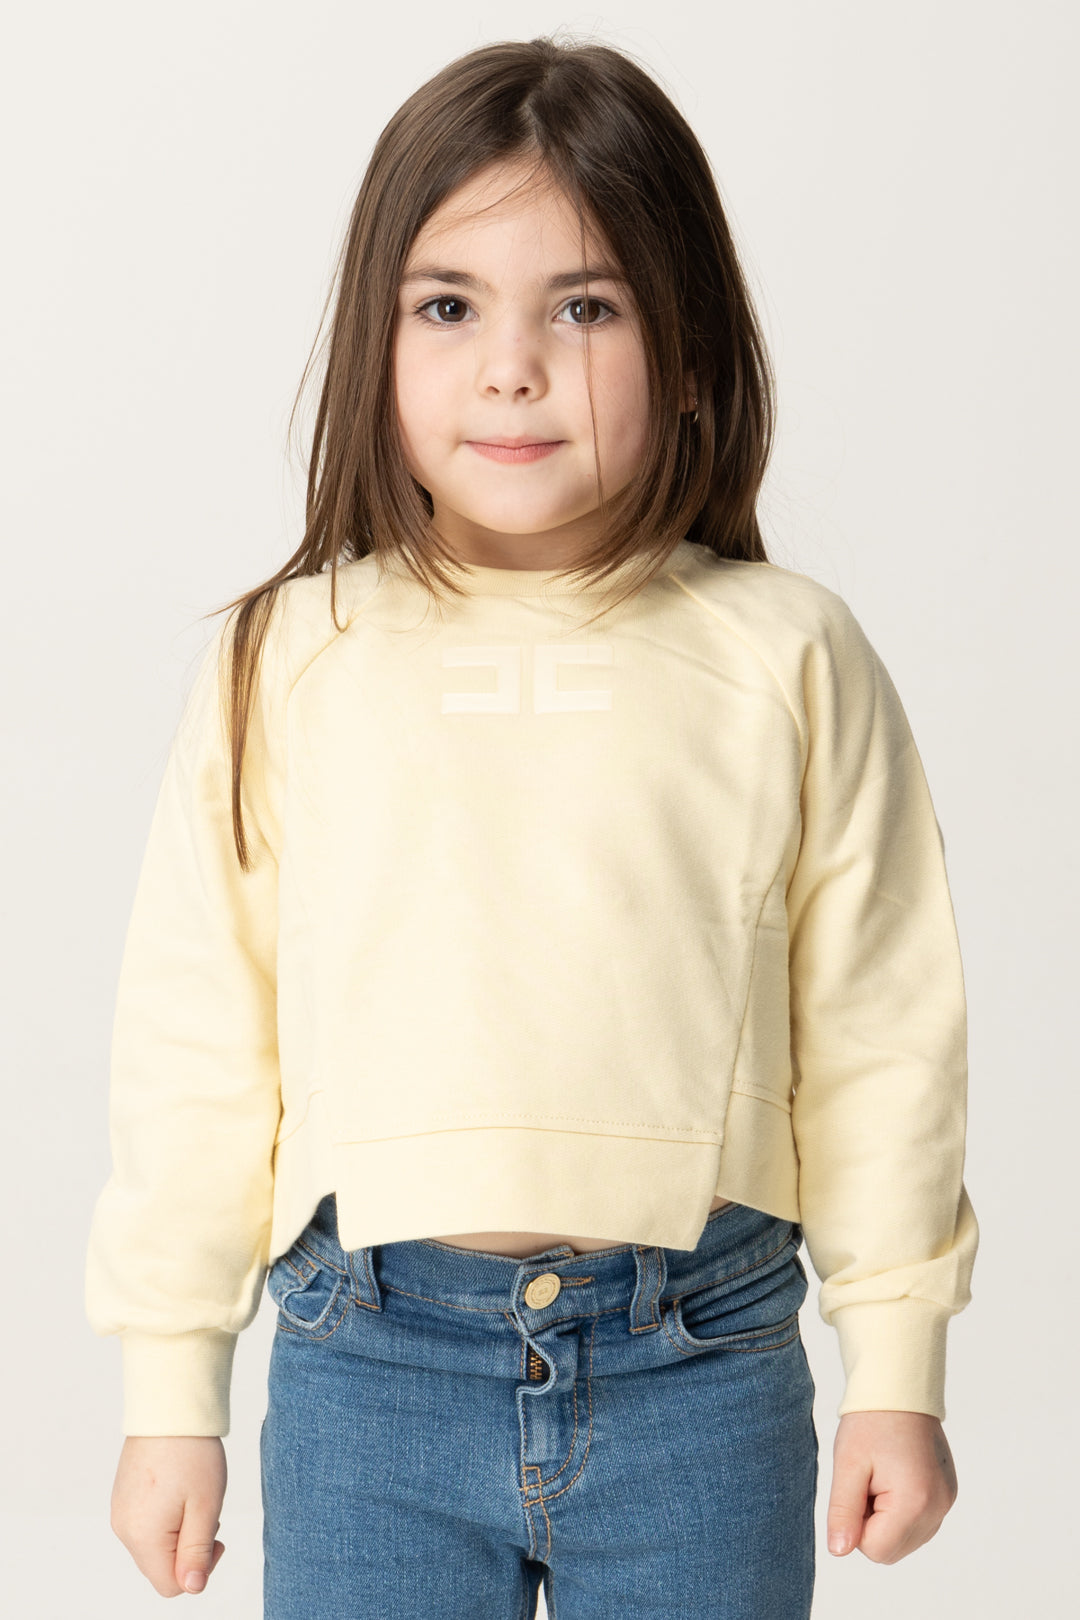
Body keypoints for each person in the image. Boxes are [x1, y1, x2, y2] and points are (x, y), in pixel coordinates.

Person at [86, 34, 978, 1620]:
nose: (512, 366)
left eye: (586, 307)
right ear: (377, 341)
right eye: (448, 307)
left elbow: (880, 1030)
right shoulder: (290, 656)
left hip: (700, 1368)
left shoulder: (785, 653)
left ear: (689, 349)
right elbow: (199, 1037)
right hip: (371, 1373)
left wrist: (896, 1362)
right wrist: (172, 1391)